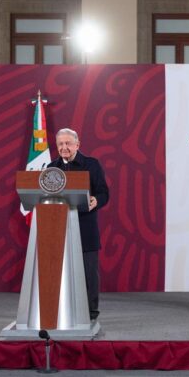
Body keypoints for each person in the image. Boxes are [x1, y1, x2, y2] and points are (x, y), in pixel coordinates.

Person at [48, 127, 109, 322]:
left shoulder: (92, 165)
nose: (64, 147)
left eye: (68, 143)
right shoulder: (52, 167)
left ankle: (91, 313)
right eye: (60, 144)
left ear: (77, 144)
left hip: (85, 227)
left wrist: (96, 200)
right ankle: (60, 310)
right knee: (60, 271)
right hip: (59, 226)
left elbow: (103, 192)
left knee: (88, 272)